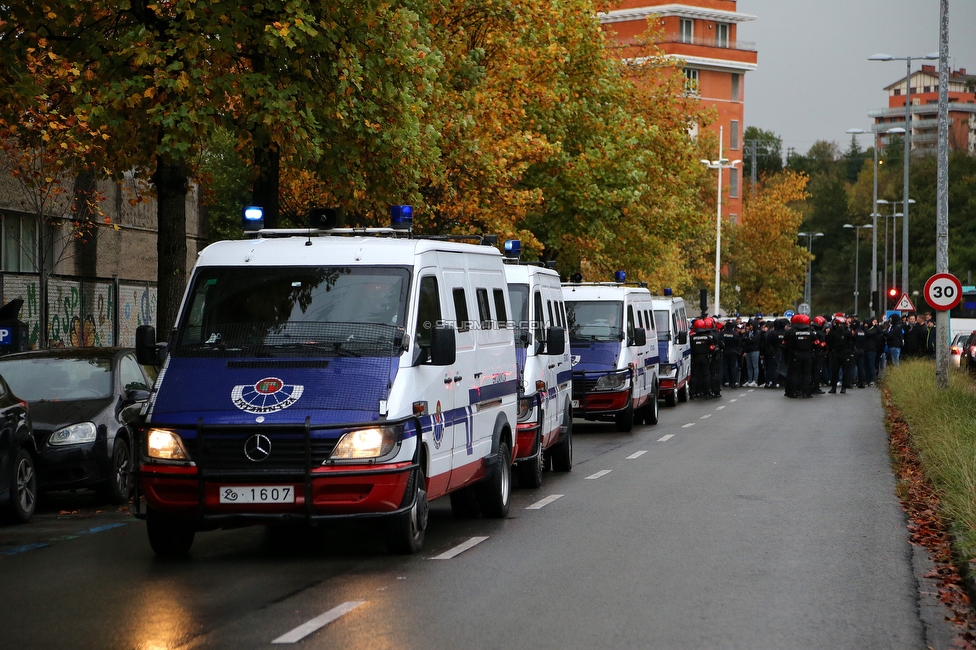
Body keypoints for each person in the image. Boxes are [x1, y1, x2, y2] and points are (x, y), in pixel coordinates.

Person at [782, 314, 815, 398]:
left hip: (795, 354)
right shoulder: (811, 332)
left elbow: (785, 344)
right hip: (807, 354)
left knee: (794, 374)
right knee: (806, 374)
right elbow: (817, 344)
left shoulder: (791, 332)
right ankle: (806, 392)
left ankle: (793, 392)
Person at [826, 314, 854, 394]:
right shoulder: (833, 332)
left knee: (845, 371)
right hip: (836, 353)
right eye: (839, 324)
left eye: (842, 324)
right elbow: (829, 341)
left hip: (845, 353)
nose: (840, 326)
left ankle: (844, 387)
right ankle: (833, 387)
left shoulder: (847, 332)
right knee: (834, 371)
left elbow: (852, 341)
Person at [689, 319, 715, 399]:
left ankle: (693, 393)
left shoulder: (692, 338)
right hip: (705, 357)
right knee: (706, 375)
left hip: (695, 357)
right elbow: (712, 347)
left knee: (695, 375)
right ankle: (707, 392)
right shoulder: (708, 337)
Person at [721, 320, 741, 388]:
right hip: (733, 352)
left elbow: (720, 342)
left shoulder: (722, 333)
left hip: (725, 351)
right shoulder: (735, 334)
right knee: (733, 367)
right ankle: (734, 381)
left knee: (725, 367)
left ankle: (726, 381)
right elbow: (738, 343)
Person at [741, 320, 761, 387]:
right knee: (749, 367)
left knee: (755, 366)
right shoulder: (748, 333)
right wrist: (748, 340)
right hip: (748, 351)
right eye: (750, 325)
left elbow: (754, 340)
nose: (750, 327)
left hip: (755, 350)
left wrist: (748, 340)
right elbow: (743, 339)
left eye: (752, 325)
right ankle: (749, 380)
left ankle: (755, 380)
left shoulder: (757, 333)